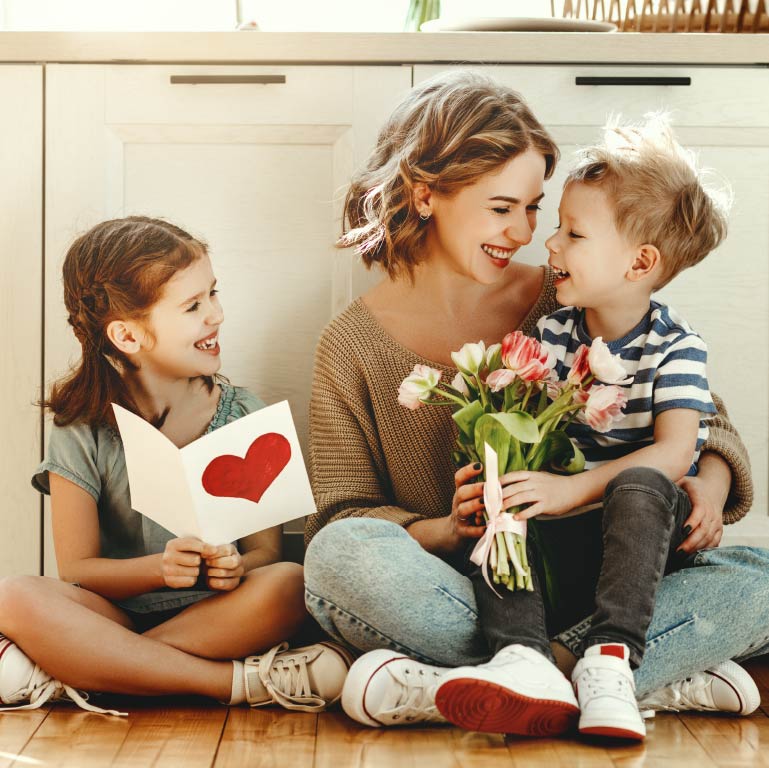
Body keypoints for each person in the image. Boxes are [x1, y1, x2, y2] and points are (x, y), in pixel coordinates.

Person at [301, 71, 769, 732]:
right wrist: (444, 527)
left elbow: (702, 423)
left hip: (613, 580)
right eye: (502, 208)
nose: (525, 233)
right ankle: (621, 676)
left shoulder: (569, 291)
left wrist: (711, 488)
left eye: (534, 208)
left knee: (759, 579)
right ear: (423, 193)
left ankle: (498, 679)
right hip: (472, 586)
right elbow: (343, 514)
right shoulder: (349, 345)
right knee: (338, 558)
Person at [432, 115, 760, 741]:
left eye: (572, 233)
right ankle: (524, 656)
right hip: (564, 548)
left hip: (637, 550)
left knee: (642, 485)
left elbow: (674, 452)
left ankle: (609, 661)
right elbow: (527, 435)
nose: (548, 245)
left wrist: (572, 490)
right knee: (511, 488)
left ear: (640, 262)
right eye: (557, 226)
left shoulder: (676, 346)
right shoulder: (551, 335)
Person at [0, 216, 351, 716]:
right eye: (193, 305)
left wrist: (235, 568)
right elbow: (78, 570)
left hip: (217, 615)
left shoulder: (244, 414)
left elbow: (266, 554)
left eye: (213, 293)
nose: (217, 314)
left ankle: (85, 671)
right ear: (127, 335)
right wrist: (160, 571)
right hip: (113, 615)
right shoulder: (80, 427)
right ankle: (229, 683)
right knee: (12, 595)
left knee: (290, 582)